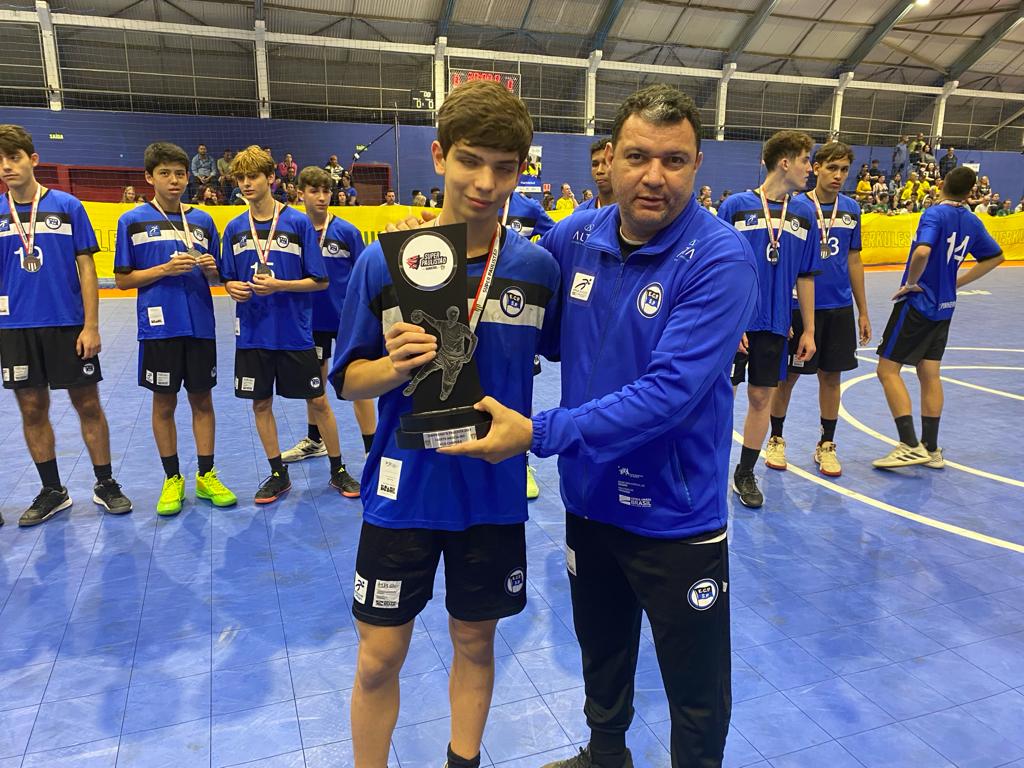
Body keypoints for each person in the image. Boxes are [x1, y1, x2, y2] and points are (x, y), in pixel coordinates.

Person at [439, 84, 758, 768]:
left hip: (675, 516)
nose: (654, 176)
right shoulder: (574, 238)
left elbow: (668, 395)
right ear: (609, 159)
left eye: (674, 160)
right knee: (601, 648)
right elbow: (522, 319)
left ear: (697, 165)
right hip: (590, 500)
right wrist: (433, 257)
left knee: (695, 687)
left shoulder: (721, 258)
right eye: (638, 156)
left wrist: (538, 433)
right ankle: (605, 756)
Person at [330, 79, 560, 768]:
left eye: (504, 167)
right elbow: (347, 379)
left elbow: (576, 351)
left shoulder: (538, 269)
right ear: (439, 156)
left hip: (491, 494)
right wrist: (393, 365)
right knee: (378, 657)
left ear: (521, 170)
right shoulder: (384, 261)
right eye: (469, 160)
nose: (485, 183)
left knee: (475, 643)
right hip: (404, 491)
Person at [0, 124, 132, 527]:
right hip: (15, 329)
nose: (6, 166)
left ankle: (105, 483)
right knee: (31, 408)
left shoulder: (67, 205)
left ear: (33, 159)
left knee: (87, 404)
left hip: (68, 325)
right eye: (0, 160)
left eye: (14, 157)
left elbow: (87, 268)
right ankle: (52, 490)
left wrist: (91, 325)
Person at [113, 141, 237, 515]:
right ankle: (172, 479)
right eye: (165, 173)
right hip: (159, 329)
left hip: (199, 325)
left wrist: (213, 270)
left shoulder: (203, 220)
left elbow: (217, 275)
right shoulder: (131, 220)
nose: (174, 180)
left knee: (202, 400)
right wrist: (165, 270)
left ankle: (206, 475)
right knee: (164, 402)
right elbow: (122, 280)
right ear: (149, 177)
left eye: (180, 173)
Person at [219, 145, 333, 503]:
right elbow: (229, 278)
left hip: (294, 333)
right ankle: (278, 474)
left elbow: (320, 281)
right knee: (260, 404)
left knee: (318, 401)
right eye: (241, 178)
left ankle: (339, 469)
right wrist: (231, 287)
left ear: (271, 177)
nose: (246, 183)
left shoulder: (297, 223)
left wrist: (280, 285)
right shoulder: (234, 228)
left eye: (253, 176)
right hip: (253, 335)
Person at [873, 166, 1004, 468]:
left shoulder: (934, 214)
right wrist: (956, 282)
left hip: (919, 304)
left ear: (942, 183)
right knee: (929, 373)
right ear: (970, 193)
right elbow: (996, 257)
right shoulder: (971, 220)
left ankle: (909, 444)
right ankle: (931, 448)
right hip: (945, 307)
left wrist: (911, 282)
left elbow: (922, 252)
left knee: (887, 370)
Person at [718, 130, 821, 508]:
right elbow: (719, 270)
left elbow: (805, 275)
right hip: (734, 324)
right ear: (785, 162)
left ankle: (744, 473)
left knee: (761, 397)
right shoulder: (736, 207)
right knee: (719, 396)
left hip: (776, 323)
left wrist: (809, 329)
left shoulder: (804, 213)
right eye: (806, 160)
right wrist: (729, 322)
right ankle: (707, 467)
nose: (810, 169)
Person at [765, 142, 870, 478]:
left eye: (844, 170)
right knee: (787, 377)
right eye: (832, 168)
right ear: (817, 168)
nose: (838, 175)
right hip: (800, 308)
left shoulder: (851, 209)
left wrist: (862, 311)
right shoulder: (796, 206)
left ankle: (826, 444)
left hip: (838, 309)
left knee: (832, 378)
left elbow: (854, 260)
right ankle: (776, 439)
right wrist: (782, 309)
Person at [280, 165, 372, 492]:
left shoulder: (346, 231)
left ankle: (371, 448)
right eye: (314, 191)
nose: (321, 197)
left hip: (347, 320)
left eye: (326, 191)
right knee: (314, 384)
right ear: (300, 193)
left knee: (358, 383)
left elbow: (366, 273)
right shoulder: (294, 232)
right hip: (310, 322)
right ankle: (315, 440)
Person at [576, 137, 613, 211]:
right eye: (595, 164)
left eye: (606, 163)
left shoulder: (634, 212)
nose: (599, 171)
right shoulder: (581, 211)